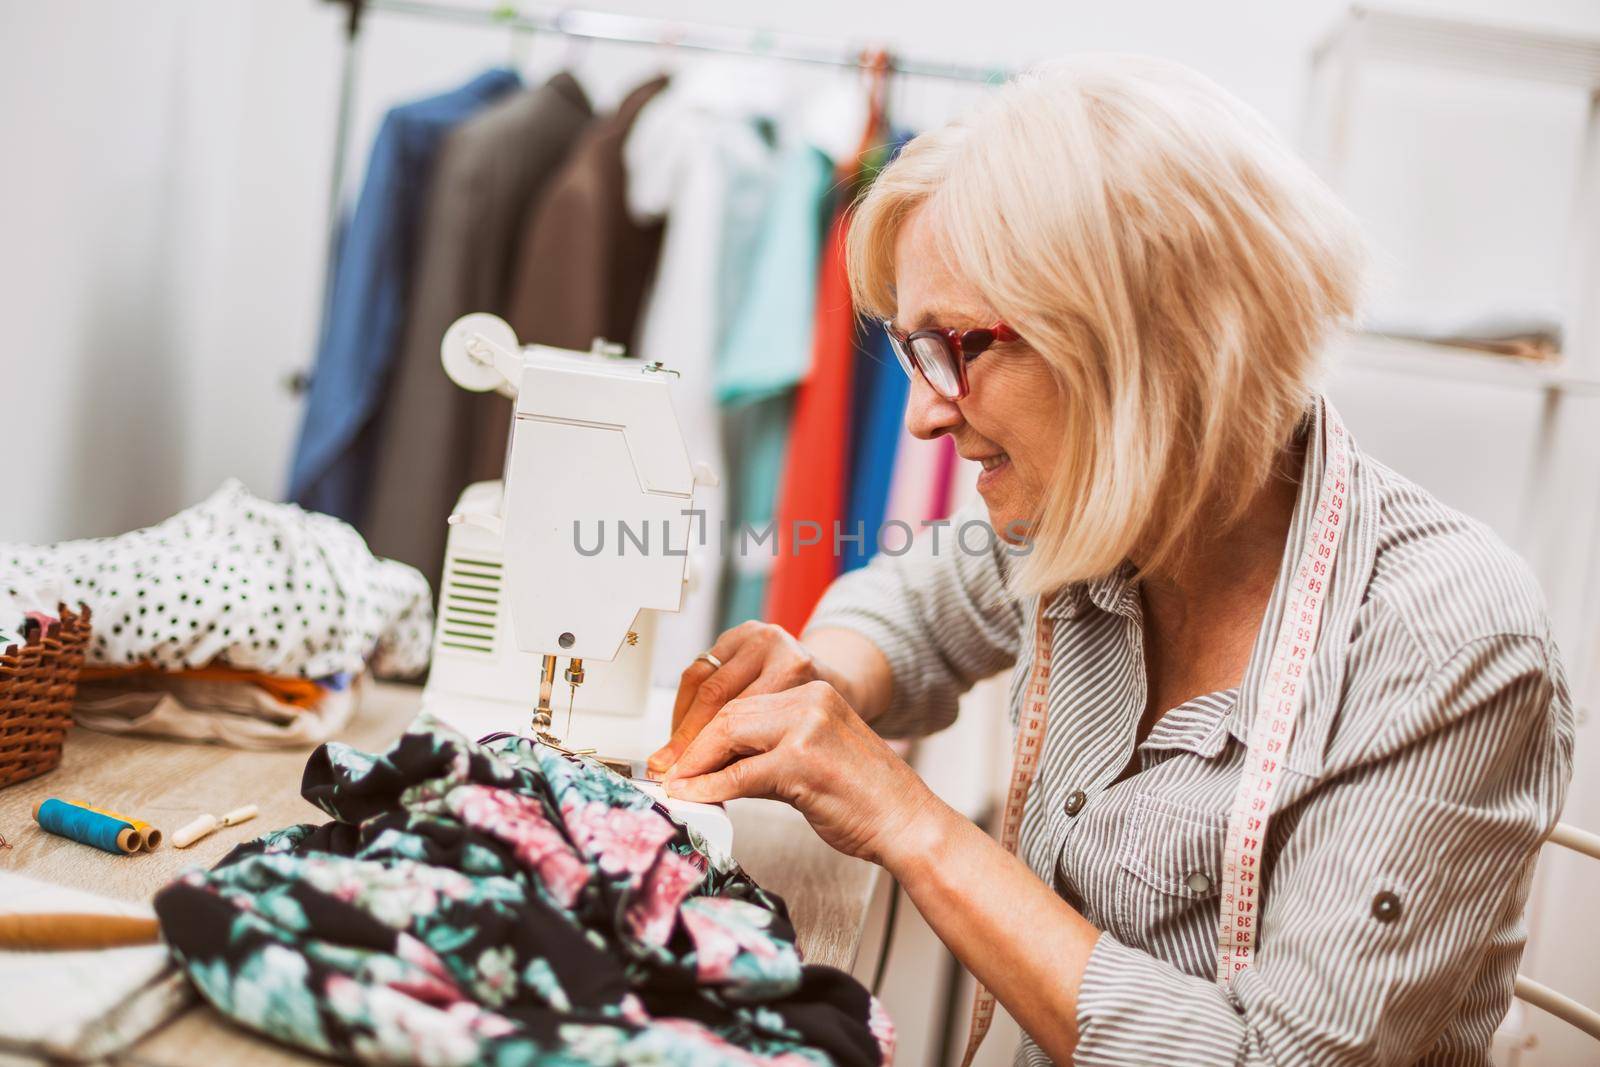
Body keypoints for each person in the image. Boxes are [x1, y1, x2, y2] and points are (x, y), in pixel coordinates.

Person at [646, 55, 1573, 1065]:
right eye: (915, 353)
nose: (919, 414)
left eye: (958, 345)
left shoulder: (1445, 635)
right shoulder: (1092, 521)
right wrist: (816, 677)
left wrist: (904, 817)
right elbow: (914, 603)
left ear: (1139, 342)